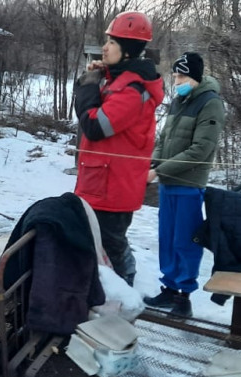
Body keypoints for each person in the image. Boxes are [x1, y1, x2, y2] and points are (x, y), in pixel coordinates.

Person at [73, 11, 165, 286]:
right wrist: (92, 81)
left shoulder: (132, 91)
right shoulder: (118, 81)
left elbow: (95, 126)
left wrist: (88, 88)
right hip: (101, 181)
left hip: (112, 186)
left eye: (112, 42)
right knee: (99, 243)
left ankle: (123, 290)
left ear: (127, 51)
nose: (105, 47)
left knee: (111, 244)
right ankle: (106, 291)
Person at [144, 52, 225, 317]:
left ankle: (184, 296)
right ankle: (169, 288)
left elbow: (201, 149)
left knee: (184, 242)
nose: (176, 80)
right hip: (168, 182)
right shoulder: (179, 100)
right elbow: (164, 137)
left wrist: (160, 171)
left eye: (180, 76)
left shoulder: (210, 102)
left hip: (189, 185)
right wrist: (154, 163)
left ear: (194, 77)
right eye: (175, 75)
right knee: (167, 239)